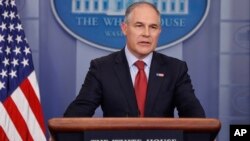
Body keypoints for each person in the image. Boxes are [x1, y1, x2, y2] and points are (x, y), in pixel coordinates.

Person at [64, 2, 205, 118]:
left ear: (159, 32)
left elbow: (192, 112)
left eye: (153, 27)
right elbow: (79, 112)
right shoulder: (101, 68)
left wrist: (205, 133)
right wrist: (59, 134)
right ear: (124, 28)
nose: (146, 33)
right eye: (139, 26)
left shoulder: (175, 69)